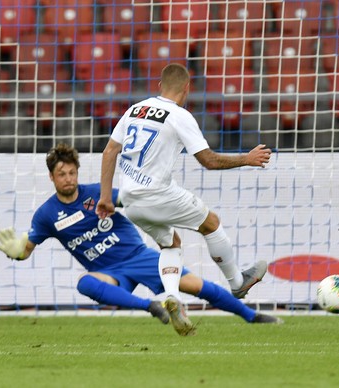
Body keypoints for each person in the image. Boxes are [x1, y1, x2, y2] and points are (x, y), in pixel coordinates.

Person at [0, 143, 282, 337]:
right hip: (110, 272)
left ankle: (251, 316)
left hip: (140, 258)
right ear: (51, 178)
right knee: (85, 283)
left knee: (197, 286)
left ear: (77, 173)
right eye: (61, 174)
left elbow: (137, 202)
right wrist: (16, 251)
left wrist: (162, 228)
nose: (68, 178)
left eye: (71, 172)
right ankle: (152, 307)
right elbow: (26, 249)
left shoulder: (97, 193)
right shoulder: (46, 215)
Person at [96, 63, 273, 336]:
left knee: (170, 242)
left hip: (130, 199)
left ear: (159, 86)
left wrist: (106, 198)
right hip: (157, 193)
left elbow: (109, 152)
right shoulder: (179, 115)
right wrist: (246, 159)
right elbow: (208, 161)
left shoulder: (134, 109)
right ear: (187, 88)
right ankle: (238, 282)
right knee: (211, 223)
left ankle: (172, 297)